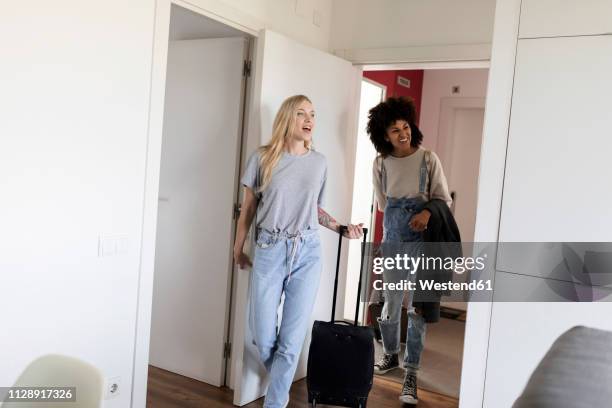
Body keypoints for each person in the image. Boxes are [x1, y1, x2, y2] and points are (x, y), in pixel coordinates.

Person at [233, 94, 364, 408]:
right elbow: (248, 209)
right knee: (262, 336)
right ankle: (281, 379)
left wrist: (341, 228)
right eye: (302, 114)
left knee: (291, 343)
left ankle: (275, 402)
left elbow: (314, 209)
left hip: (307, 252)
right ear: (287, 119)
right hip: (268, 248)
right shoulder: (262, 158)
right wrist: (237, 248)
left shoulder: (319, 162)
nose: (309, 121)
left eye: (313, 115)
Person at [367, 96, 452, 405]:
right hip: (392, 241)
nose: (402, 133)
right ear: (382, 135)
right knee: (389, 305)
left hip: (422, 241)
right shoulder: (379, 164)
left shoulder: (429, 159)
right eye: (394, 129)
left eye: (405, 126)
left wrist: (426, 213)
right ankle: (390, 354)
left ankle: (411, 372)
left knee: (416, 308)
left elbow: (443, 199)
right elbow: (382, 205)